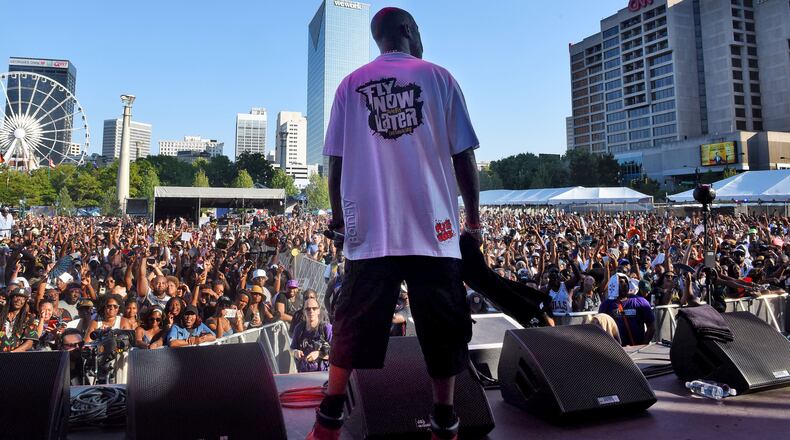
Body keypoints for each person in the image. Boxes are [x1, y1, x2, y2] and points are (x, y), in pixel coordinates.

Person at [309, 8, 481, 440]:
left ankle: (328, 422)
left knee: (351, 322)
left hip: (371, 233)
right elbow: (465, 157)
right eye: (419, 28)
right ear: (406, 30)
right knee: (443, 327)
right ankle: (445, 422)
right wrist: (473, 224)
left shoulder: (349, 85)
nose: (421, 37)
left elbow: (336, 164)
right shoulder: (441, 79)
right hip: (435, 232)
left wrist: (337, 221)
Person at [598, 273, 655, 346]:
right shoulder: (606, 305)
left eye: (626, 282)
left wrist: (643, 345)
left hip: (638, 349)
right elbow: (601, 329)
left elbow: (651, 326)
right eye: (620, 282)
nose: (625, 284)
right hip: (617, 350)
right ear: (613, 284)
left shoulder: (640, 301)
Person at [291, 298, 332, 373]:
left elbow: (337, 353)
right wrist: (296, 352)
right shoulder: (299, 328)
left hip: (323, 375)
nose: (311, 311)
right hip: (303, 374)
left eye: (314, 308)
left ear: (319, 310)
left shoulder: (326, 328)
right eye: (308, 309)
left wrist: (319, 354)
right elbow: (292, 349)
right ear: (304, 311)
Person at [1, 288, 38, 352]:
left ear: (25, 302)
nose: (19, 300)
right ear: (11, 298)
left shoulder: (29, 318)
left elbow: (29, 342)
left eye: (23, 298)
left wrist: (12, 353)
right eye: (16, 296)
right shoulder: (1, 315)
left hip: (17, 357)